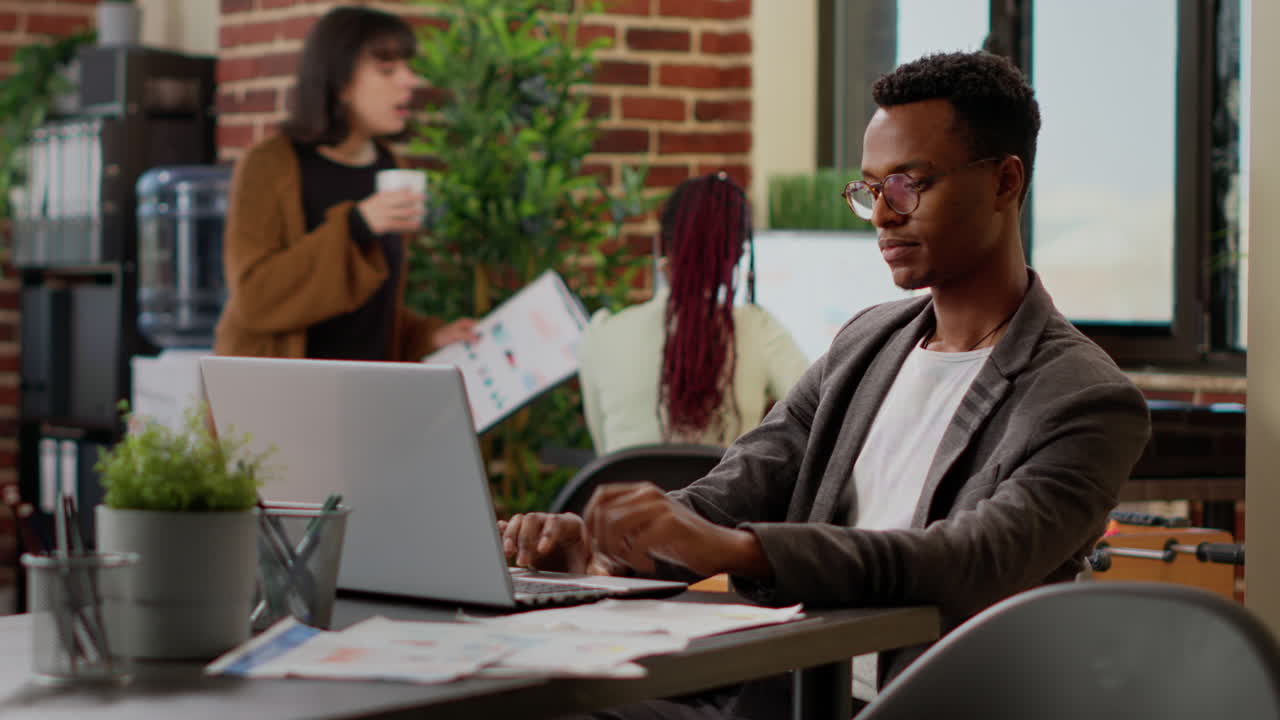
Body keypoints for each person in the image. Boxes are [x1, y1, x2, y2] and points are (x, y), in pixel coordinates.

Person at [502, 50, 1152, 718]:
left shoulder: (1087, 399)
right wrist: (609, 550)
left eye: (909, 185)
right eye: (871, 190)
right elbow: (737, 485)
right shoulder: (865, 343)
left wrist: (741, 551)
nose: (881, 216)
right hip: (789, 692)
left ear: (1005, 183)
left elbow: (968, 562)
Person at [214, 6, 474, 361]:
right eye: (387, 70)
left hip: (361, 396)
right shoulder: (270, 164)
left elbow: (368, 306)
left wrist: (428, 337)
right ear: (340, 84)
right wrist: (356, 226)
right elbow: (255, 300)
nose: (410, 81)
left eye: (408, 68)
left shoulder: (390, 166)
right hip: (280, 393)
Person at [577, 173, 809, 454]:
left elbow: (606, 456)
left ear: (661, 245)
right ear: (736, 255)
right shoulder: (758, 330)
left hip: (630, 498)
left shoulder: (603, 334)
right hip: (728, 499)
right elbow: (823, 415)